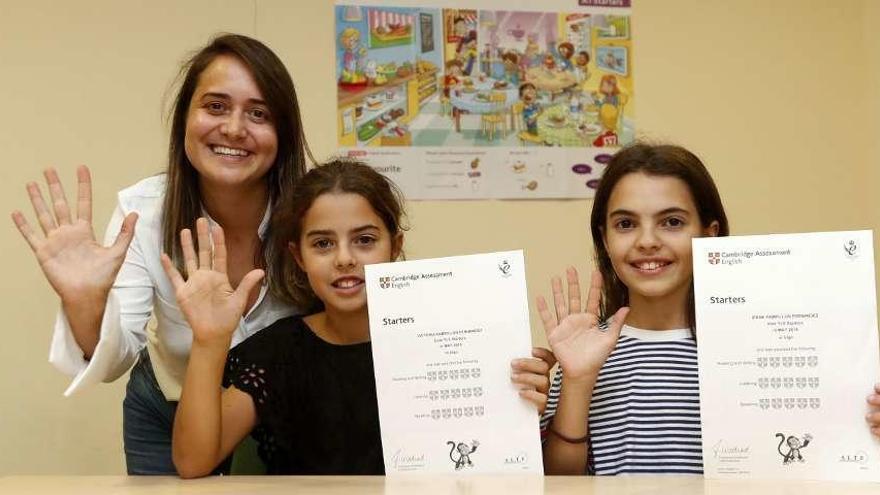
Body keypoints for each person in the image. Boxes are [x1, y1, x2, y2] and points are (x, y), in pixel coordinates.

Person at [10, 34, 311, 474]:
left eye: (259, 113)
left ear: (283, 131)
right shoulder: (143, 211)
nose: (233, 128)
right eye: (215, 106)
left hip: (286, 410)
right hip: (169, 409)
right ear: (184, 119)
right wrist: (86, 302)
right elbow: (114, 361)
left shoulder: (315, 210)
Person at [165, 161, 554, 477]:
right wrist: (210, 340)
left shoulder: (451, 340)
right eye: (322, 244)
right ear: (298, 257)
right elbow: (193, 461)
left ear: (394, 246)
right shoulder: (278, 353)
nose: (345, 258)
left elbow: (490, 464)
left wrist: (515, 405)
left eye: (364, 240)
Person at [538, 143, 880, 475]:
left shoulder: (762, 346)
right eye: (625, 224)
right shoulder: (582, 353)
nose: (646, 241)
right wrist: (578, 382)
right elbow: (559, 480)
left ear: (709, 233)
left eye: (671, 222)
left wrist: (867, 426)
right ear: (605, 238)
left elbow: (816, 457)